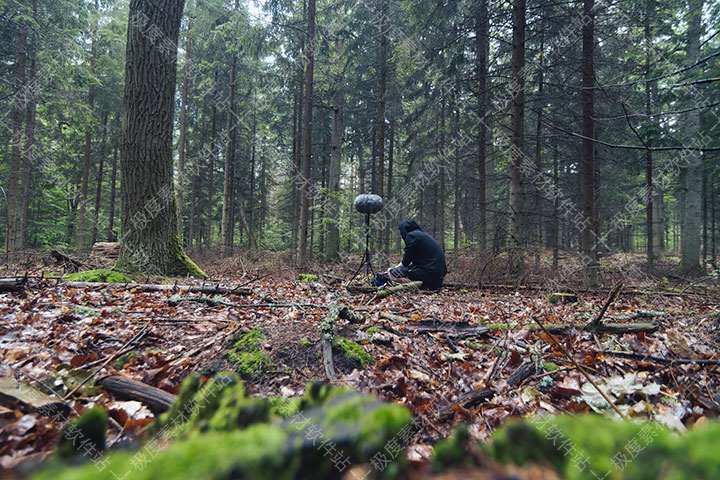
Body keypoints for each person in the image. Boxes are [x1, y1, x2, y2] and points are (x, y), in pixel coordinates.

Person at [382, 219, 447, 291]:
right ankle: (421, 284)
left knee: (392, 273)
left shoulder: (412, 236)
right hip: (438, 276)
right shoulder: (423, 235)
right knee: (401, 270)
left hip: (429, 272)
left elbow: (405, 262)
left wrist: (392, 269)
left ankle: (410, 285)